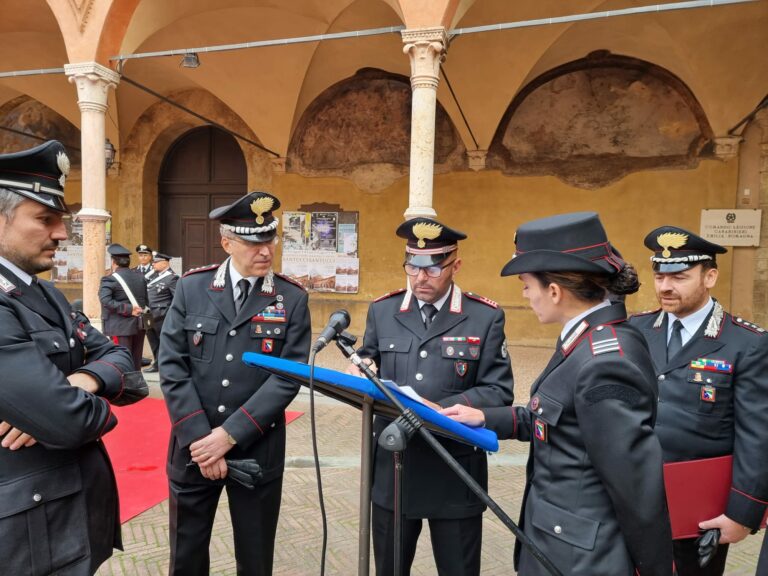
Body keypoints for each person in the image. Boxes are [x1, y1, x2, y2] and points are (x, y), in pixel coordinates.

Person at [443, 212, 674, 576]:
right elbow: (562, 418)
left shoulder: (604, 360)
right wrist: (487, 416)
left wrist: (657, 570)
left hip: (581, 558)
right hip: (557, 542)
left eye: (526, 283)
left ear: (554, 290)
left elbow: (637, 489)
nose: (524, 294)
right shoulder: (585, 338)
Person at [0, 139, 147, 575]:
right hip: (25, 535)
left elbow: (127, 368)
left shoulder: (44, 291)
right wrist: (76, 402)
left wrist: (80, 383)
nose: (62, 233)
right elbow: (70, 422)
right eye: (45, 219)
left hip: (71, 516)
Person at [348, 217, 514, 576]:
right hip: (396, 467)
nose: (421, 277)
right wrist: (362, 365)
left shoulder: (484, 316)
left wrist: (451, 409)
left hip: (453, 468)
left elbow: (499, 390)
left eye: (433, 267)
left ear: (455, 264)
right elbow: (369, 355)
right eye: (412, 265)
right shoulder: (383, 310)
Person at [160, 191, 311, 575]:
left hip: (256, 448)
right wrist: (200, 438)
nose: (265, 250)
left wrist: (228, 436)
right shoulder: (192, 288)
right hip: (192, 450)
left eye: (270, 239)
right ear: (227, 243)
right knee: (186, 557)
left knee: (256, 557)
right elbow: (173, 367)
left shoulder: (291, 298)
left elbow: (286, 377)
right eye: (253, 242)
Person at [629, 226, 768, 576]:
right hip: (633, 495)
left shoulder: (746, 343)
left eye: (679, 276)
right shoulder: (636, 329)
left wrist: (742, 514)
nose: (665, 286)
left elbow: (757, 437)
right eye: (659, 276)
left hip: (698, 509)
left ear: (710, 277)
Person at [98, 243, 150, 371]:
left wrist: (128, 309)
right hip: (139, 324)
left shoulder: (109, 279)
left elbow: (105, 300)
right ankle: (136, 384)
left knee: (122, 360)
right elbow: (145, 300)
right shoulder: (140, 277)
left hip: (119, 326)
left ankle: (125, 387)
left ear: (113, 262)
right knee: (135, 359)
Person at [143, 251, 178, 373]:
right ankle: (157, 363)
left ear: (164, 263)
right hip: (149, 314)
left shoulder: (172, 277)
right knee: (153, 341)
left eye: (156, 262)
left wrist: (168, 313)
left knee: (163, 341)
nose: (153, 264)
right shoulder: (152, 276)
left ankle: (164, 365)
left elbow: (176, 298)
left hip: (162, 315)